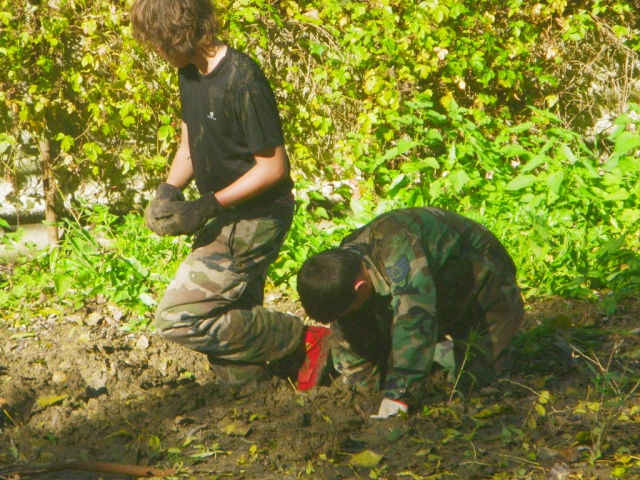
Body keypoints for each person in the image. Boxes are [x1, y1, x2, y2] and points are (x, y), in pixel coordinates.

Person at [129, 0, 329, 390]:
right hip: (224, 213)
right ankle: (273, 385)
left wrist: (206, 205)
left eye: (158, 42)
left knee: (179, 317)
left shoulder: (243, 78)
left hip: (257, 216)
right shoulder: (189, 74)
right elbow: (191, 138)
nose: (155, 51)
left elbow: (273, 168)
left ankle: (302, 338)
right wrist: (169, 190)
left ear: (179, 34)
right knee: (235, 368)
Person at [297, 207, 524, 417]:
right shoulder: (343, 271)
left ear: (361, 288)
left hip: (482, 284)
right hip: (433, 288)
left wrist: (399, 396)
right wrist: (360, 393)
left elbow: (416, 318)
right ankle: (437, 354)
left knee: (480, 386)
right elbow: (349, 334)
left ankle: (442, 353)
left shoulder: (399, 249)